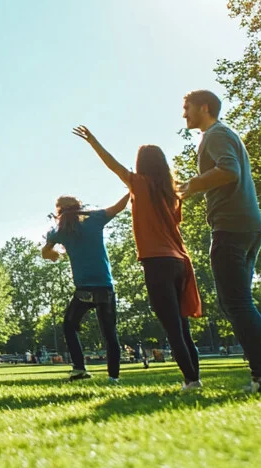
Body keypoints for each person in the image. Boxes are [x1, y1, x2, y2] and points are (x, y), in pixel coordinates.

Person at [73, 126, 204, 390]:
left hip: (157, 263)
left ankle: (191, 381)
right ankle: (195, 377)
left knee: (172, 327)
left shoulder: (139, 184)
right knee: (182, 326)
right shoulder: (172, 192)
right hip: (179, 262)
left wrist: (93, 141)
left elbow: (113, 165)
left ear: (141, 164)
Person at [179, 90, 261, 394]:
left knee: (236, 302)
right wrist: (196, 186)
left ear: (204, 107)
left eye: (186, 107)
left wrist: (194, 184)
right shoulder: (221, 134)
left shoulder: (215, 134)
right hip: (245, 226)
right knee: (237, 303)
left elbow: (229, 171)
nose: (184, 114)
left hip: (232, 226)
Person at [43, 193, 130, 383]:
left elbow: (45, 252)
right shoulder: (96, 219)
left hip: (84, 289)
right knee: (109, 333)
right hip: (104, 287)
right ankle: (113, 377)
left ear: (59, 211)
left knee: (69, 325)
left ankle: (79, 368)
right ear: (79, 206)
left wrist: (54, 254)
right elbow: (118, 206)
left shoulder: (60, 231)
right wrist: (132, 188)